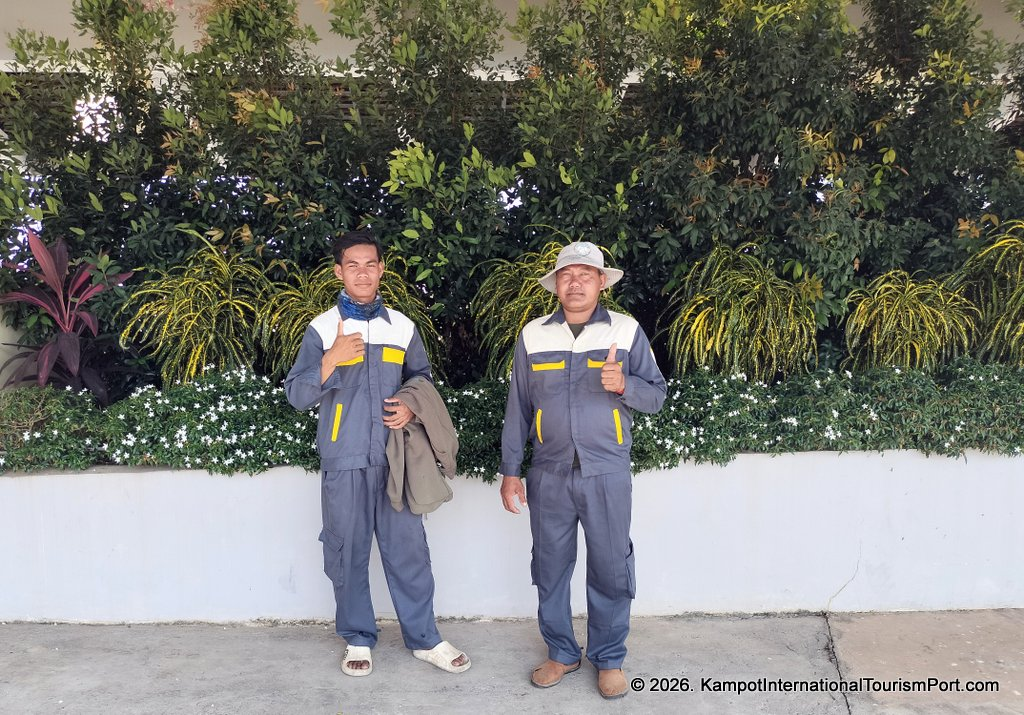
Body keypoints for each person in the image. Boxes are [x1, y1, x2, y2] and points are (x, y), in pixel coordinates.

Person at [284, 230, 470, 677]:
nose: (362, 272)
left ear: (382, 269)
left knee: (408, 549)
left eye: (371, 264)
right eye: (353, 265)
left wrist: (409, 403)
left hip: (396, 459)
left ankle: (425, 638)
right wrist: (331, 359)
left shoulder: (402, 327)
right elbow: (296, 393)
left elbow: (421, 378)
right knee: (346, 551)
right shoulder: (322, 329)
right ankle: (357, 638)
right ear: (338, 272)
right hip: (343, 459)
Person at [499, 241, 666, 699]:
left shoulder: (627, 332)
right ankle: (561, 652)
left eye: (585, 275)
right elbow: (518, 406)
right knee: (550, 567)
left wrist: (625, 384)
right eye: (567, 275)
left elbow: (657, 395)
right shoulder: (533, 335)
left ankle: (609, 659)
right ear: (556, 284)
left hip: (606, 471)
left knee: (611, 568)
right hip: (548, 472)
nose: (575, 282)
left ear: (600, 283)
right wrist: (511, 469)